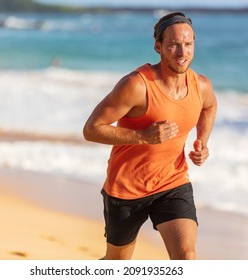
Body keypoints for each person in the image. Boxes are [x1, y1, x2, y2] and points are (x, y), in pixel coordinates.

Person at [83, 11, 217, 260]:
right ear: (158, 47)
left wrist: (203, 142)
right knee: (116, 263)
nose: (182, 52)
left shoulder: (201, 85)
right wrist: (143, 136)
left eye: (188, 44)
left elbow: (209, 106)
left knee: (186, 257)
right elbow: (91, 129)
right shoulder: (137, 85)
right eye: (174, 45)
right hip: (126, 189)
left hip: (172, 183)